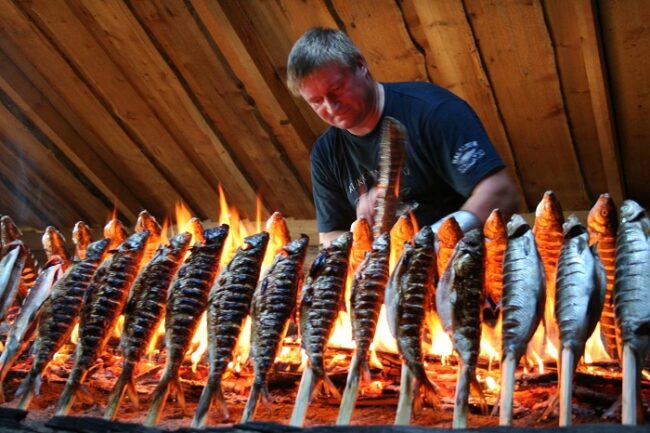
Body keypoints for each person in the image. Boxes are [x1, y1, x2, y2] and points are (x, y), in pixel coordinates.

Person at [287, 27, 519, 247]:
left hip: (466, 256)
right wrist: (361, 234)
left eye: (336, 89)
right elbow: (330, 234)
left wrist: (430, 243)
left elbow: (500, 192)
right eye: (316, 101)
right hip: (390, 271)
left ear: (360, 65)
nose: (331, 107)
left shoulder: (433, 111)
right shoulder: (326, 153)